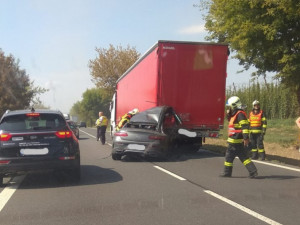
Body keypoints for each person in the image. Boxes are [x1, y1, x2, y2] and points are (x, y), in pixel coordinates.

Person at [220, 96, 258, 178]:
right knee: (243, 157)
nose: (229, 108)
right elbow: (232, 122)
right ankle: (253, 172)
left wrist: (246, 138)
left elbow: (244, 127)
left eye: (230, 106)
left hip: (235, 140)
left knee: (229, 157)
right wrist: (228, 114)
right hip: (234, 140)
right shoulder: (235, 114)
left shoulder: (240, 114)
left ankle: (227, 173)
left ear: (233, 105)